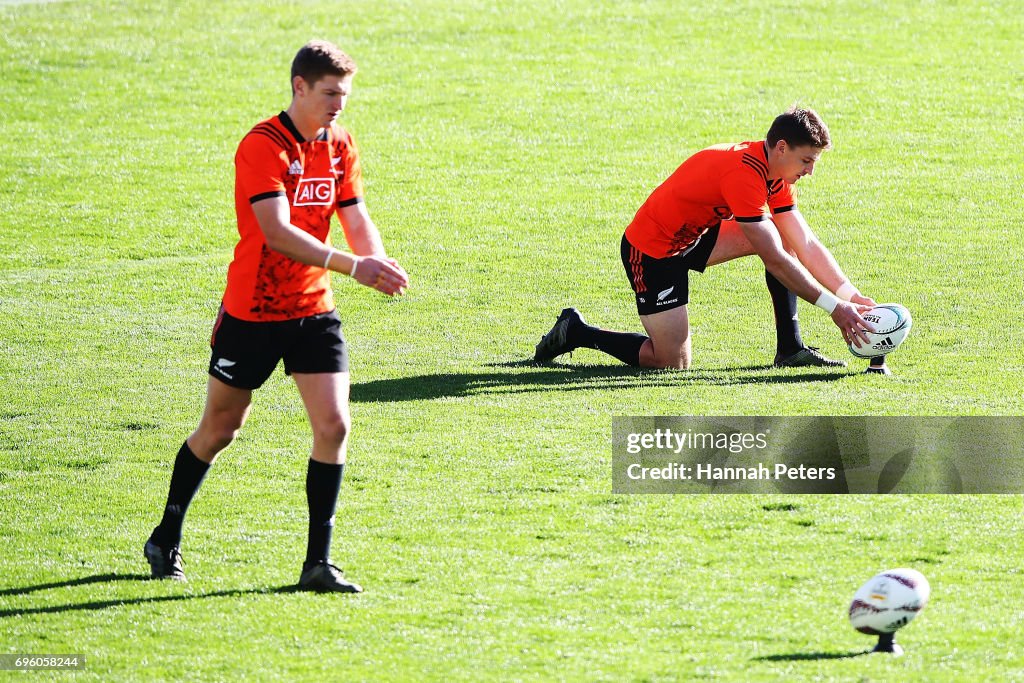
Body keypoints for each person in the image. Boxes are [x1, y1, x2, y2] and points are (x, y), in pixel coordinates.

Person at [144, 40, 409, 593]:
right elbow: (277, 233)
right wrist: (351, 266)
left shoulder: (340, 145)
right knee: (220, 429)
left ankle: (318, 563)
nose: (340, 103)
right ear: (300, 87)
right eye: (331, 93)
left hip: (314, 310)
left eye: (346, 94)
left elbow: (356, 216)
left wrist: (377, 260)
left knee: (334, 425)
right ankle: (166, 535)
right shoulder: (262, 146)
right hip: (254, 312)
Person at [534, 107, 876, 370]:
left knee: (781, 236)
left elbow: (805, 243)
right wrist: (835, 308)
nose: (810, 171)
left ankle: (790, 349)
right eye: (806, 160)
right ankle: (577, 331)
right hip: (653, 252)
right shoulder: (745, 173)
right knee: (671, 363)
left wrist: (850, 295)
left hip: (695, 237)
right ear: (782, 148)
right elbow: (775, 259)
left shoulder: (779, 173)